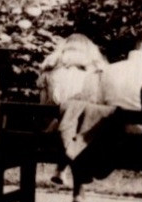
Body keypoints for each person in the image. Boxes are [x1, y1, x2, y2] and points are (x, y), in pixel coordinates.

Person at [65, 27, 142, 202]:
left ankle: (79, 195)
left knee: (86, 126)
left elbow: (93, 108)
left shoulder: (108, 72)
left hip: (107, 147)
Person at [38, 34, 107, 187]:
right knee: (83, 118)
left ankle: (61, 170)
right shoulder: (95, 72)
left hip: (51, 131)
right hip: (78, 134)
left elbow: (42, 106)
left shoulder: (48, 71)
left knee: (70, 119)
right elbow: (96, 103)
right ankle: (74, 176)